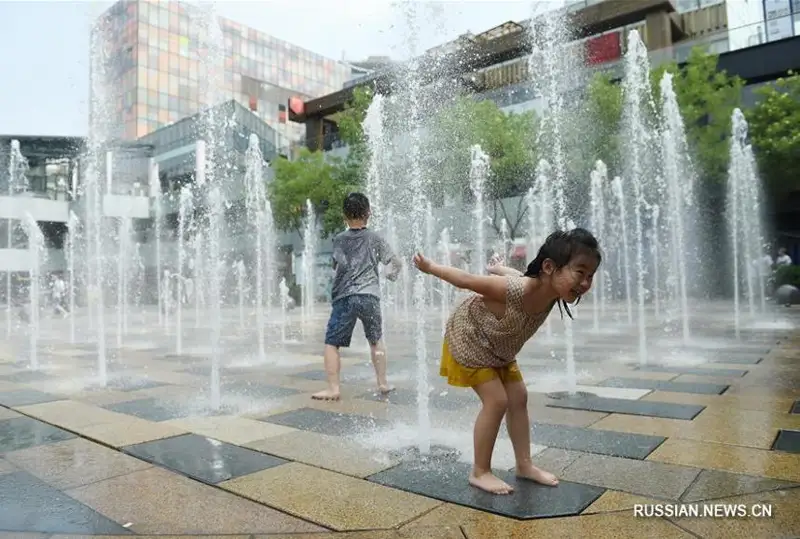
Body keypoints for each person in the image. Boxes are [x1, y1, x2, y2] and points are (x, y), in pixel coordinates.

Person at [413, 228, 602, 495]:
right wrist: (430, 267)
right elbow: (466, 280)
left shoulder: (548, 290)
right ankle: (480, 471)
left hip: (499, 347)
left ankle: (524, 465)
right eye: (580, 272)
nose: (585, 282)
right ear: (549, 267)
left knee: (519, 397)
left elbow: (517, 274)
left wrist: (499, 267)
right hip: (471, 338)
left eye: (590, 276)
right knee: (497, 401)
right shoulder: (515, 291)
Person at [312, 192, 402, 401]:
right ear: (368, 213)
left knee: (332, 343)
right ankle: (383, 383)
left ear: (344, 215)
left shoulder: (339, 240)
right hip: (369, 295)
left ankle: (333, 388)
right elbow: (396, 262)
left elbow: (337, 265)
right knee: (376, 340)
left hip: (345, 296)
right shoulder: (375, 238)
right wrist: (391, 276)